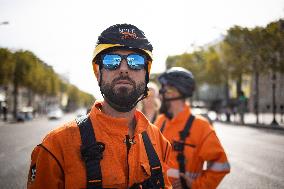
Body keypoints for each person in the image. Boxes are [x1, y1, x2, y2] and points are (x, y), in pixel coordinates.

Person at [27, 24, 172, 189]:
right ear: (98, 73)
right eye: (112, 60)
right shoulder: (56, 147)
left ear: (146, 74)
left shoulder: (160, 141)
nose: (124, 68)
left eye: (135, 60)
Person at [154, 67, 230, 189]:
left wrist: (196, 185)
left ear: (174, 92)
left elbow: (221, 165)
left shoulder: (201, 126)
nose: (160, 94)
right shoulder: (160, 121)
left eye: (164, 89)